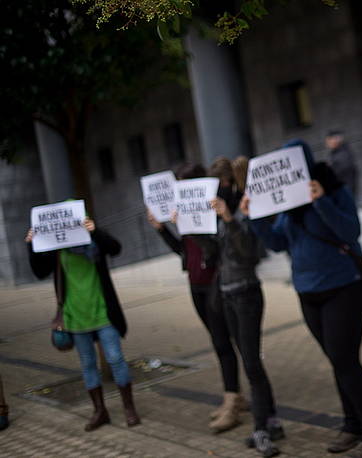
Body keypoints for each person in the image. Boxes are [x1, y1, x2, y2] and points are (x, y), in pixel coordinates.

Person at [241, 140, 362, 458]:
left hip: (345, 289)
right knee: (338, 362)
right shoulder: (287, 205)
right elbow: (279, 243)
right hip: (308, 293)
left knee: (345, 360)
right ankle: (352, 426)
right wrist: (255, 217)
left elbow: (350, 232)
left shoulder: (334, 190)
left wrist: (321, 201)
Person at [146, 161, 248, 433]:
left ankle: (232, 401)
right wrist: (161, 228)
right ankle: (235, 395)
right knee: (220, 341)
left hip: (216, 282)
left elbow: (216, 249)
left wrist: (190, 225)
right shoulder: (185, 215)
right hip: (196, 285)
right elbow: (183, 251)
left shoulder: (211, 210)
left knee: (224, 341)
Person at [26, 215, 140, 431]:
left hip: (103, 312)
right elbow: (39, 272)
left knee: (116, 359)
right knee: (88, 365)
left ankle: (129, 408)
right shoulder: (56, 248)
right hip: (75, 316)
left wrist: (95, 231)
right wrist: (32, 246)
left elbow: (115, 248)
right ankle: (100, 411)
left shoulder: (93, 240)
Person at [209, 156, 283, 457]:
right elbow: (216, 252)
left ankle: (262, 430)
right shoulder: (223, 212)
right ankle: (272, 422)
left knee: (252, 364)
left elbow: (249, 253)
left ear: (230, 183)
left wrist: (229, 219)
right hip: (227, 294)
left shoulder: (247, 208)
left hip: (247, 293)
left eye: (222, 185)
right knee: (249, 362)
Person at [325, 130, 358, 198]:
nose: (327, 143)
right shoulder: (339, 152)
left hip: (345, 188)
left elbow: (339, 171)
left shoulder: (342, 153)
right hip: (344, 188)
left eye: (329, 140)